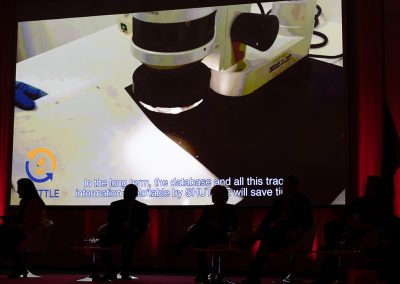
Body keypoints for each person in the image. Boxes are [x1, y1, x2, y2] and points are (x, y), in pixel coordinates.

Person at [313, 175, 394, 284]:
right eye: (367, 185)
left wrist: (363, 227)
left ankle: (329, 266)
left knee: (334, 251)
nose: (367, 187)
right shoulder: (359, 201)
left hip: (368, 234)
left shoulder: (382, 204)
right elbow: (346, 215)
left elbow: (383, 222)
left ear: (377, 188)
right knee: (330, 225)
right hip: (350, 230)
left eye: (370, 185)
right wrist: (350, 222)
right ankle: (332, 250)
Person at [241, 175, 313, 284]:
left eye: (288, 186)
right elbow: (269, 218)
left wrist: (298, 231)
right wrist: (260, 230)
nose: (285, 188)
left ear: (295, 187)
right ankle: (253, 276)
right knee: (266, 241)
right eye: (284, 186)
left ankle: (249, 244)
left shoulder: (303, 201)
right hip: (277, 233)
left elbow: (309, 222)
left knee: (267, 239)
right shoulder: (279, 199)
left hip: (292, 234)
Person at [171, 185, 238, 283]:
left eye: (216, 195)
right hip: (206, 236)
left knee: (199, 233)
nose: (213, 197)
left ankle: (201, 271)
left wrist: (215, 225)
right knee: (198, 237)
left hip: (222, 236)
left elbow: (233, 226)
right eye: (213, 195)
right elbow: (199, 223)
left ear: (224, 196)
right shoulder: (208, 208)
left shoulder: (230, 209)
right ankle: (203, 272)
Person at [96, 184, 149, 280]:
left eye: (129, 192)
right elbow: (111, 220)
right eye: (125, 192)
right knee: (102, 240)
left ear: (136, 194)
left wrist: (133, 229)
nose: (126, 194)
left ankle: (125, 271)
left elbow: (144, 224)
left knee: (128, 242)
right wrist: (121, 226)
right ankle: (110, 271)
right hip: (117, 231)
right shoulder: (115, 205)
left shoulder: (142, 207)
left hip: (133, 233)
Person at [0, 178, 46, 278]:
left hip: (28, 233)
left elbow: (36, 222)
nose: (17, 191)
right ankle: (20, 266)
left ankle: (19, 266)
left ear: (26, 189)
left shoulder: (35, 203)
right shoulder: (25, 202)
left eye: (19, 188)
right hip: (21, 231)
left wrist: (19, 226)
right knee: (3, 231)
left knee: (4, 236)